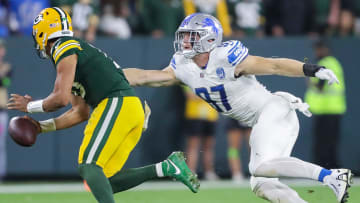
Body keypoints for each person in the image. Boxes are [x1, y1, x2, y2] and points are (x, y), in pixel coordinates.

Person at [123, 13, 353, 203]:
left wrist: (310, 69)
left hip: (274, 110)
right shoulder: (183, 66)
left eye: (191, 36)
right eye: (183, 36)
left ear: (209, 39)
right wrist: (110, 73)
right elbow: (145, 76)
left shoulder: (227, 57)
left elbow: (273, 65)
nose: (184, 41)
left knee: (259, 166)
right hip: (260, 120)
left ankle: (332, 176)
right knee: (261, 184)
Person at [7, 7, 199, 203]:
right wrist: (41, 127)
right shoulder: (74, 54)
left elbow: (60, 98)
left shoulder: (63, 47)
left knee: (88, 165)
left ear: (42, 33)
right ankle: (167, 167)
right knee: (103, 179)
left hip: (116, 103)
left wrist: (30, 107)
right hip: (129, 109)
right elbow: (79, 113)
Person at [305, 39, 346, 169]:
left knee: (323, 144)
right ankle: (333, 169)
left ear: (324, 49)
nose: (316, 52)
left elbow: (320, 87)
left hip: (325, 110)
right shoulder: (335, 63)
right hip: (335, 109)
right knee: (332, 143)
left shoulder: (324, 64)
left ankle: (322, 170)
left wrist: (309, 82)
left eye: (318, 49)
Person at [182, 86, 219, 180]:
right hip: (194, 116)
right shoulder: (188, 79)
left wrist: (203, 95)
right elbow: (191, 96)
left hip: (211, 116)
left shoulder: (212, 77)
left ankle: (209, 172)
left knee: (209, 146)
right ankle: (190, 173)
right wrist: (209, 95)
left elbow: (218, 96)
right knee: (193, 146)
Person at [225, 118, 251, 183]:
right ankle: (236, 173)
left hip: (250, 116)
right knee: (233, 149)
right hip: (235, 117)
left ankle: (256, 173)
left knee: (253, 148)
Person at [0, 39, 11, 182]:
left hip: (1, 111)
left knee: (0, 145)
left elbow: (4, 82)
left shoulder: (7, 67)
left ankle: (1, 174)